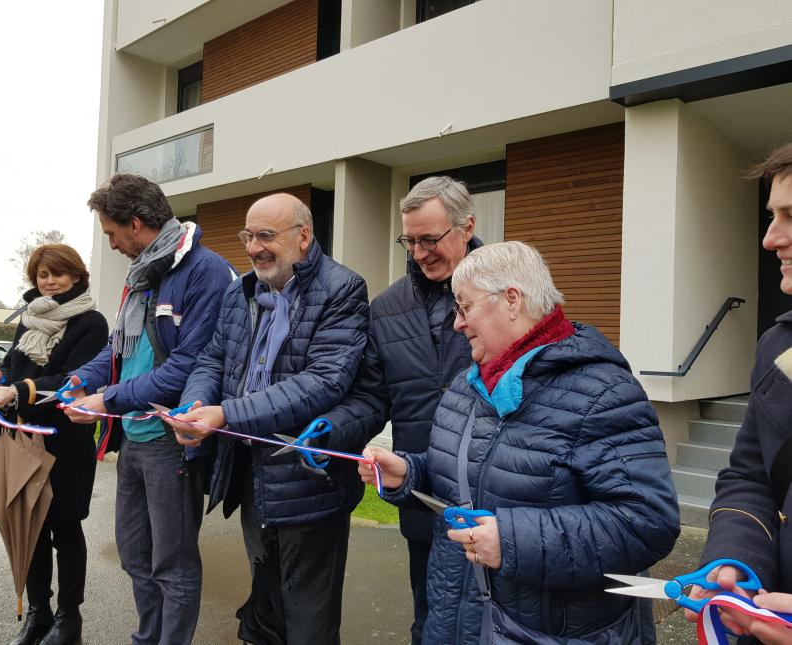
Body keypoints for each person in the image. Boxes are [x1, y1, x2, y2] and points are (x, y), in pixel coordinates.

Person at [360, 242, 681, 644]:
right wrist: (408, 473)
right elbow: (472, 475)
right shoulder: (467, 385)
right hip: (457, 621)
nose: (456, 323)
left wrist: (511, 541)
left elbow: (646, 523)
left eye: (464, 307)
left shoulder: (602, 391)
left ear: (511, 300)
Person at [165, 192, 369, 645]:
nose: (254, 247)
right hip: (251, 474)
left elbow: (324, 382)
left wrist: (226, 414)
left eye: (265, 235)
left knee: (309, 620)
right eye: (248, 236)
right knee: (267, 605)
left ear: (304, 236)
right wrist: (198, 404)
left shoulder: (343, 289)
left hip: (307, 481)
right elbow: (212, 361)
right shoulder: (240, 291)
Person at [63, 173, 235, 645]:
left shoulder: (206, 271)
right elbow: (119, 352)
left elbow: (190, 366)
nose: (111, 244)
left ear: (135, 223)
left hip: (169, 441)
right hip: (134, 440)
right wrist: (82, 380)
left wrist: (108, 399)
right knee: (134, 553)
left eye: (112, 233)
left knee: (172, 562)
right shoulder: (141, 273)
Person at [322, 176, 482, 644]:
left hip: (495, 498)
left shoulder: (509, 295)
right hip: (423, 494)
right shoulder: (387, 307)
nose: (419, 252)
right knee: (430, 620)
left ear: (467, 225)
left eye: (430, 239)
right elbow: (373, 397)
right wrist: (329, 429)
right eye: (409, 240)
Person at [686, 144, 792, 645]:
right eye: (773, 215)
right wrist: (733, 563)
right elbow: (750, 476)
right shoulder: (777, 345)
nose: (770, 239)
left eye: (790, 216)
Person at [0, 244, 108, 645]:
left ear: (76, 275)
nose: (49, 282)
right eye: (41, 276)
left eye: (57, 274)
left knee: (65, 528)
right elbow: (14, 364)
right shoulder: (29, 319)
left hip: (65, 440)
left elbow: (78, 377)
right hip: (21, 437)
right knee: (29, 528)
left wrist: (21, 389)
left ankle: (69, 618)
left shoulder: (91, 322)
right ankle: (38, 611)